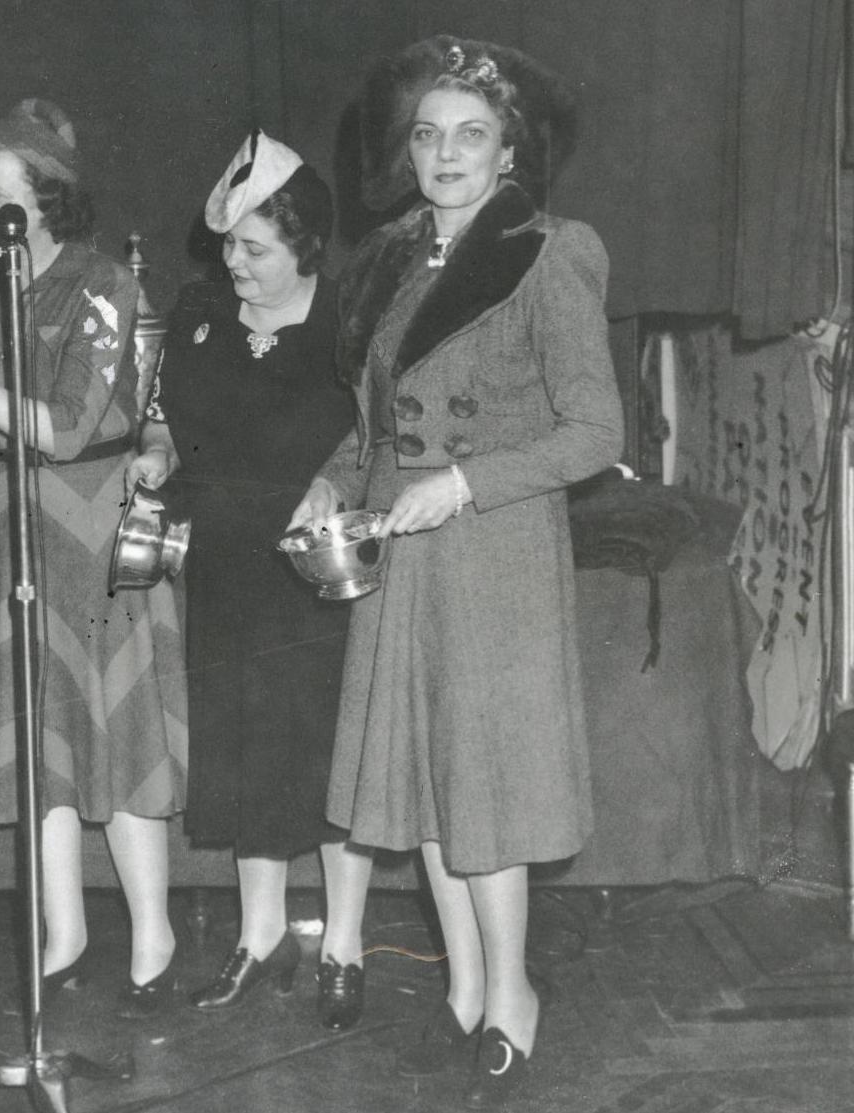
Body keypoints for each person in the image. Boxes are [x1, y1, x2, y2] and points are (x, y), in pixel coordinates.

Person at [288, 36, 622, 1108]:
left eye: (471, 135)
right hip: (400, 539)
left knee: (485, 788)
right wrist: (333, 481)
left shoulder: (550, 251)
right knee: (428, 786)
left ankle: (513, 993)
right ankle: (468, 985)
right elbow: (380, 419)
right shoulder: (396, 254)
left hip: (491, 550)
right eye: (428, 135)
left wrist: (468, 483)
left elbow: (593, 433)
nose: (445, 153)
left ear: (510, 148)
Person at [0, 98, 188, 1018]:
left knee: (113, 734)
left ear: (43, 195)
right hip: (5, 539)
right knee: (37, 742)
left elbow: (73, 426)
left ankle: (152, 933)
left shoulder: (103, 282)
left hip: (92, 533)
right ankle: (64, 930)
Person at [125, 131, 369, 1030]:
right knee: (244, 752)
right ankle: (259, 934)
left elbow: (380, 434)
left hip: (315, 572)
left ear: (304, 243)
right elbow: (164, 419)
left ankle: (342, 941)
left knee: (328, 755)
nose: (233, 262)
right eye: (228, 242)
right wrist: (152, 456)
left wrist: (337, 476)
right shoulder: (198, 312)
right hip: (226, 565)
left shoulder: (349, 318)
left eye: (254, 247)